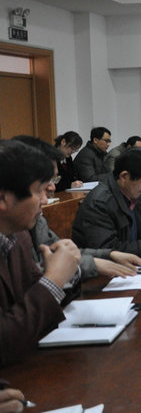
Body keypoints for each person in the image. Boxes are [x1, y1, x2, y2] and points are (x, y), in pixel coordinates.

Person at [14, 135, 141, 280]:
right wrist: (93, 264)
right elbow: (34, 276)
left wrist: (110, 255)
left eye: (54, 179)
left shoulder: (37, 220)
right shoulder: (100, 200)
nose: (52, 187)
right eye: (45, 181)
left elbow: (62, 255)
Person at [0, 139, 80, 366]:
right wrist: (53, 280)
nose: (45, 200)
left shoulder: (18, 235)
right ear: (3, 198)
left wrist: (64, 270)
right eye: (38, 191)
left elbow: (34, 298)